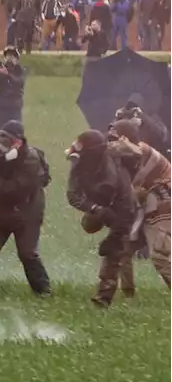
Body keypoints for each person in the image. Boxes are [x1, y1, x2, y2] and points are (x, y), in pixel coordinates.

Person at [0, 121, 52, 297]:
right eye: (0, 137)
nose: (1, 144)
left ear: (18, 142)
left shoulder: (31, 160)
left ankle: (43, 290)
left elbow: (15, 189)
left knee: (27, 253)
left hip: (26, 212)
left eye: (7, 139)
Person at [66, 130, 138, 306]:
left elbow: (126, 212)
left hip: (123, 211)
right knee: (89, 224)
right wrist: (94, 208)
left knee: (114, 251)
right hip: (100, 207)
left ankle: (103, 297)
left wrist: (112, 238)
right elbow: (73, 195)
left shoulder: (116, 173)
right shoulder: (81, 162)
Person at [108, 119, 172, 291]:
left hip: (163, 204)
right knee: (123, 250)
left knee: (159, 255)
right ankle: (127, 295)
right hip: (143, 207)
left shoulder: (144, 151)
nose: (111, 141)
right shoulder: (122, 161)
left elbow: (132, 151)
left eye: (115, 136)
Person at [0, 47, 26, 129]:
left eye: (12, 56)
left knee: (16, 132)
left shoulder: (20, 70)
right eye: (8, 56)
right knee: (1, 131)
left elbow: (19, 82)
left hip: (14, 107)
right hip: (2, 106)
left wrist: (7, 74)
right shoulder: (0, 70)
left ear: (17, 59)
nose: (10, 58)